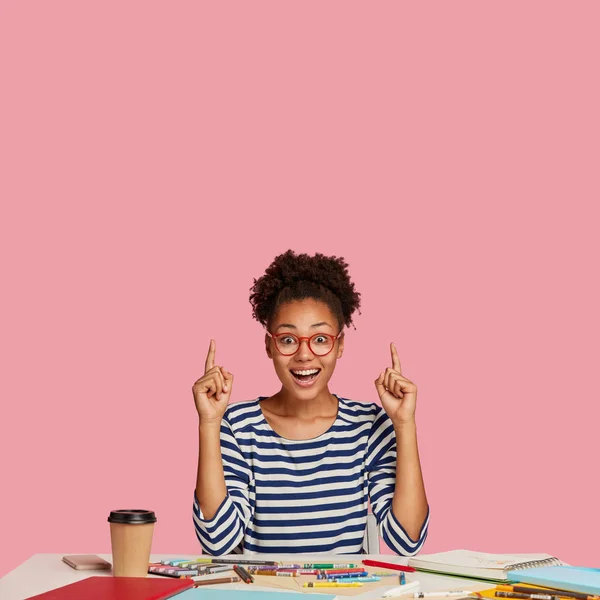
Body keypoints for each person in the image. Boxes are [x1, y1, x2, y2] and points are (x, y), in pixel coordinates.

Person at [192, 249, 429, 555]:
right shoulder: (237, 426)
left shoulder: (369, 426)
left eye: (320, 339)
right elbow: (217, 542)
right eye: (288, 340)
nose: (304, 355)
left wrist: (405, 425)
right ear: (269, 345)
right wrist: (209, 423)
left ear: (339, 344)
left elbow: (407, 541)